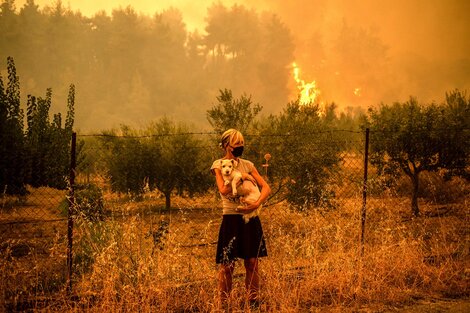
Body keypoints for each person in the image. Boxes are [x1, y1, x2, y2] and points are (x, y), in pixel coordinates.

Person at [210, 128, 271, 308]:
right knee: (227, 265)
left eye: (242, 143)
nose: (240, 147)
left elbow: (266, 188)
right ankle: (225, 304)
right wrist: (242, 177)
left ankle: (253, 302)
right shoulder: (219, 164)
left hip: (251, 216)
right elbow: (223, 189)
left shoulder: (248, 164)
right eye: (237, 144)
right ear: (226, 145)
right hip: (231, 218)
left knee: (252, 262)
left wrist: (257, 203)